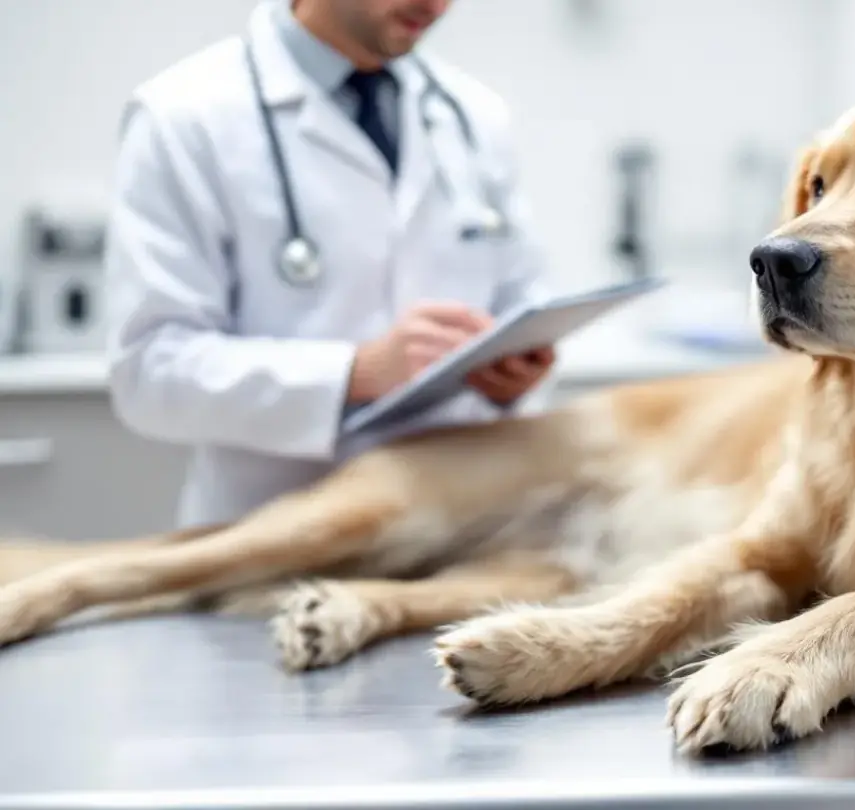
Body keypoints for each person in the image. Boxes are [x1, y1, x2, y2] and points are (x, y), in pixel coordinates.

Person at [103, 0, 557, 529]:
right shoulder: (184, 116)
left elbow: (523, 299)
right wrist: (353, 374)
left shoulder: (472, 113)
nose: (437, 5)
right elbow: (151, 373)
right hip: (267, 537)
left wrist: (513, 372)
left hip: (456, 528)